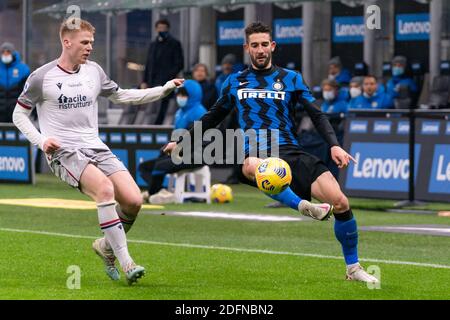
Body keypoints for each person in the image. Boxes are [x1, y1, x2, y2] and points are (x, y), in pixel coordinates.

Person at [164, 22, 378, 284]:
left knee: (341, 202)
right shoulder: (234, 82)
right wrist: (185, 140)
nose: (260, 49)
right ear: (247, 48)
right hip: (255, 150)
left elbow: (317, 114)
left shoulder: (292, 78)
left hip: (292, 150)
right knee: (252, 164)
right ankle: (304, 206)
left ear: (272, 46)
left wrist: (334, 143)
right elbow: (213, 116)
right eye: (254, 45)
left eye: (265, 44)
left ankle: (353, 268)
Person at [12, 18, 184, 285]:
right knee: (104, 190)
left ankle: (104, 247)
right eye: (84, 42)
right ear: (66, 42)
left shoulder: (94, 71)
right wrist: (41, 140)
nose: (90, 47)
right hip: (63, 151)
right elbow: (19, 114)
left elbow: (122, 96)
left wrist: (162, 90)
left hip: (96, 147)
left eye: (92, 42)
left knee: (133, 201)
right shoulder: (42, 77)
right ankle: (127, 263)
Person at [139, 79, 207, 204]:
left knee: (160, 165)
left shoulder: (200, 113)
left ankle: (153, 193)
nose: (180, 97)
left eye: (184, 94)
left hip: (197, 155)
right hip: (179, 152)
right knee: (144, 167)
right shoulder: (180, 113)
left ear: (192, 95)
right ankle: (160, 192)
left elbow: (197, 141)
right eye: (179, 94)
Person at [141, 18, 184, 124]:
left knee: (163, 107)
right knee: (151, 108)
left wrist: (169, 76)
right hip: (152, 82)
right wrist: (144, 81)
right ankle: (151, 127)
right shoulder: (153, 45)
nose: (161, 30)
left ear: (168, 29)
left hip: (166, 83)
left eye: (164, 28)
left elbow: (179, 63)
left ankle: (158, 127)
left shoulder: (174, 44)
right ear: (156, 29)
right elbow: (148, 64)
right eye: (159, 28)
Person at [0, 42, 30, 122]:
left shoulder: (23, 69)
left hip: (16, 112)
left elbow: (28, 93)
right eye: (3, 52)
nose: (6, 54)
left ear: (12, 53)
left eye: (8, 52)